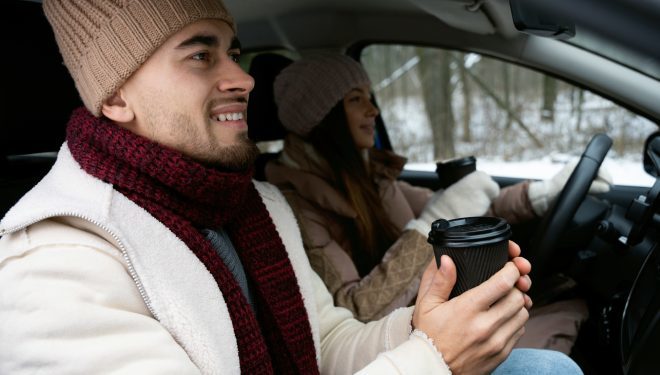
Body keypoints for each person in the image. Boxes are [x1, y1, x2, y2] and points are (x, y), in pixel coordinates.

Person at [0, 1, 581, 374]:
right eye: (200, 55)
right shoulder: (55, 261)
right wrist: (432, 359)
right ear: (116, 97)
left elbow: (324, 345)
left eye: (232, 52)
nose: (243, 78)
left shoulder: (253, 205)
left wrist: (423, 324)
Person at [266, 53, 610, 352]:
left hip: (437, 319)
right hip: (403, 343)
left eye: (370, 97)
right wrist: (432, 224)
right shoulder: (295, 207)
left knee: (569, 304)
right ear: (321, 117)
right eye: (356, 99)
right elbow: (357, 312)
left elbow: (462, 210)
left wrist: (541, 194)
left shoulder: (372, 177)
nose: (373, 109)